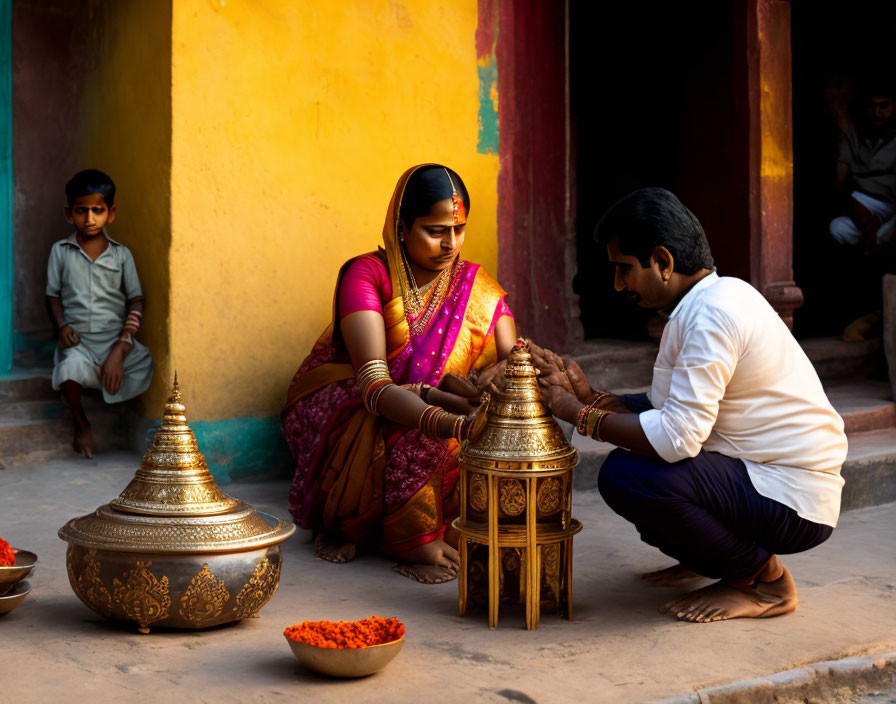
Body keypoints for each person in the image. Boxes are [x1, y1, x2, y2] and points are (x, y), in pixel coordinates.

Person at [536, 188, 848, 622]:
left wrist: (578, 413)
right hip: (761, 477)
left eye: (624, 269)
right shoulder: (709, 301)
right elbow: (668, 414)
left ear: (663, 262)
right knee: (638, 462)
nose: (618, 284)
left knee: (630, 477)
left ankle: (766, 581)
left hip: (793, 497)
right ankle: (715, 558)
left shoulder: (713, 315)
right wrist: (590, 397)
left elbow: (676, 439)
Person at [282, 164, 516, 584]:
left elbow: (514, 361)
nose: (451, 244)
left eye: (458, 229)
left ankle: (432, 521)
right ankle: (401, 535)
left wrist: (489, 385)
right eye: (435, 230)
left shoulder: (473, 285)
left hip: (438, 401)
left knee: (508, 425)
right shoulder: (367, 274)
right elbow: (375, 385)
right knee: (418, 431)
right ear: (402, 226)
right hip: (354, 401)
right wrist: (451, 423)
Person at [45, 169, 154, 459]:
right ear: (69, 213)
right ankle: (81, 423)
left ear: (111, 213)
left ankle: (109, 386)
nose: (89, 218)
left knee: (144, 363)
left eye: (98, 210)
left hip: (114, 339)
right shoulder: (60, 251)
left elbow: (136, 300)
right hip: (78, 340)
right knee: (68, 369)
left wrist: (122, 345)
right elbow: (53, 296)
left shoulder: (122, 255)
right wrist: (62, 325)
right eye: (82, 210)